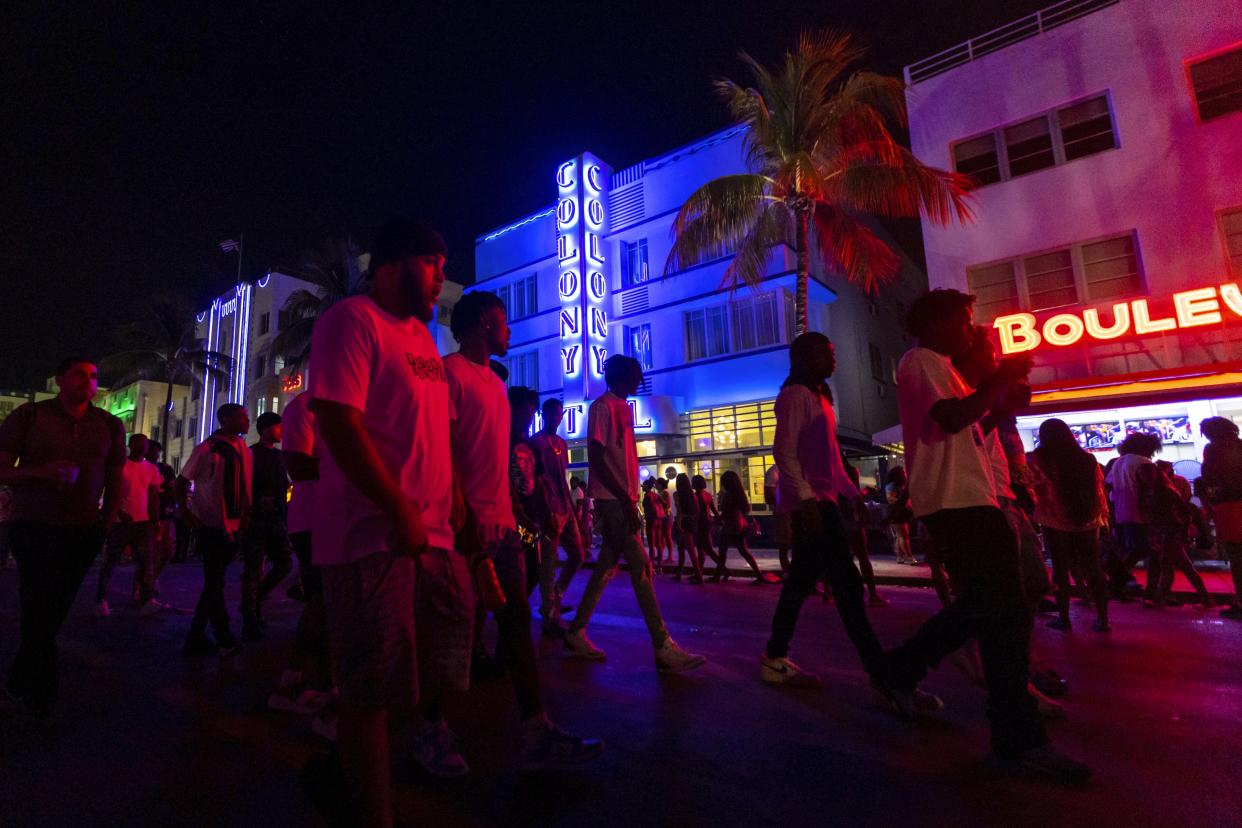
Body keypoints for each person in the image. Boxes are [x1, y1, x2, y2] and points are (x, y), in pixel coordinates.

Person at [880, 290, 1089, 784]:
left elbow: (964, 434)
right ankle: (1018, 735)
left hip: (972, 499)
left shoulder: (939, 367)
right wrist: (999, 379)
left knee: (986, 609)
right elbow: (949, 420)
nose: (970, 331)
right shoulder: (921, 360)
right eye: (963, 320)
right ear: (933, 321)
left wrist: (999, 401)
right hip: (958, 503)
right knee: (1006, 615)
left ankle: (899, 673)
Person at [307, 219, 452, 825]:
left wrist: (457, 506)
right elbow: (339, 422)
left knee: (415, 678)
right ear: (391, 265)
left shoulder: (422, 335)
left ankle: (361, 777)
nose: (442, 278)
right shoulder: (351, 320)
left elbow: (432, 432)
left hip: (430, 534)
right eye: (432, 264)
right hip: (373, 536)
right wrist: (397, 508)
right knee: (370, 688)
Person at [433, 289, 601, 777]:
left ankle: (536, 729)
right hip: (465, 527)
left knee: (514, 628)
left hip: (503, 526)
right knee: (455, 633)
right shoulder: (449, 374)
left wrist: (516, 515)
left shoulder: (495, 385)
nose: (509, 331)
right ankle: (431, 728)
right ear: (484, 323)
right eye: (503, 322)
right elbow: (445, 454)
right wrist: (464, 523)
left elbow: (497, 462)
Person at [758, 333, 917, 704]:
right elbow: (784, 453)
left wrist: (851, 492)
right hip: (813, 506)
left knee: (803, 584)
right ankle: (880, 672)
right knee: (846, 587)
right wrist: (808, 503)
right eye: (826, 353)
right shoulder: (796, 396)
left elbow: (829, 456)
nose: (834, 359)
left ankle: (775, 655)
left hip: (823, 502)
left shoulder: (819, 399)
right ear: (805, 357)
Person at [563, 355, 706, 672]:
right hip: (613, 500)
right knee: (641, 566)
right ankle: (662, 644)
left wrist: (630, 497)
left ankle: (575, 631)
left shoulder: (622, 409)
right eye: (633, 377)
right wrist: (624, 499)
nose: (636, 382)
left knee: (605, 569)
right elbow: (597, 459)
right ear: (623, 377)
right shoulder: (602, 407)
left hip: (621, 499)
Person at [0, 357, 125, 716]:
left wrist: (107, 520)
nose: (89, 382)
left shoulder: (108, 424)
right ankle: (41, 690)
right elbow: (3, 467)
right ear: (59, 380)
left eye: (94, 376)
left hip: (84, 528)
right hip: (34, 523)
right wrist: (41, 472)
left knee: (55, 605)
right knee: (38, 601)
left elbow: (115, 477)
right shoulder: (30, 416)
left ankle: (23, 679)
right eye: (80, 375)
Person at [266, 391, 334, 734]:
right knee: (323, 599)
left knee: (330, 602)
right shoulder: (304, 405)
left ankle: (319, 682)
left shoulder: (352, 402)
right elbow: (297, 464)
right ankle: (293, 681)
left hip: (339, 515)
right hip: (314, 517)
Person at [178, 403, 253, 657]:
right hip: (211, 523)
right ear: (225, 419)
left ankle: (201, 636)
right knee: (215, 580)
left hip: (234, 524)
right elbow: (182, 480)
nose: (247, 420)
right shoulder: (207, 448)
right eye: (242, 416)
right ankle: (218, 636)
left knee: (215, 581)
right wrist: (186, 512)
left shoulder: (242, 447)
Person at [1028, 419, 1111, 632]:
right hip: (1088, 520)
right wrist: (1103, 518)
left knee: (1060, 569)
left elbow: (1034, 487)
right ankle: (1103, 618)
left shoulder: (1038, 459)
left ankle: (1064, 618)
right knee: (1093, 568)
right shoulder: (1087, 459)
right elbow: (1099, 492)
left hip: (1054, 519)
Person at [94, 432, 163, 616]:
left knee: (146, 563)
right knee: (110, 561)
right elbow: (111, 491)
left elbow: (153, 496)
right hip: (121, 521)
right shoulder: (121, 466)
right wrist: (118, 512)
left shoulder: (151, 469)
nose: (143, 446)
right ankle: (101, 600)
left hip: (143, 522)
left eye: (145, 443)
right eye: (139, 443)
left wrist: (155, 521)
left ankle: (147, 599)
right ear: (131, 445)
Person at [532, 397, 586, 630]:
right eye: (552, 414)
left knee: (578, 554)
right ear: (544, 415)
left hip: (565, 506)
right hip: (549, 508)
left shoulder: (562, 444)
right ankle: (549, 611)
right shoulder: (536, 443)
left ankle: (556, 596)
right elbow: (539, 479)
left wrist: (573, 510)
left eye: (559, 414)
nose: (556, 418)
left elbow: (562, 477)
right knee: (549, 561)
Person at [240, 411, 293, 641]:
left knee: (284, 563)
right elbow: (243, 484)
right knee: (253, 569)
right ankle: (250, 619)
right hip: (256, 520)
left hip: (276, 519)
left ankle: (254, 602)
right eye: (277, 427)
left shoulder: (280, 457)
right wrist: (257, 499)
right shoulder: (252, 455)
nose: (281, 431)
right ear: (266, 429)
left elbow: (285, 485)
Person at [1138, 463, 1211, 609]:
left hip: (1171, 533)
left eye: (1146, 474)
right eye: (1142, 475)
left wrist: (1181, 531)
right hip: (1170, 532)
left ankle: (1160, 600)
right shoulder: (1161, 490)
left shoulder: (1162, 491)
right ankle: (1205, 598)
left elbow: (1182, 512)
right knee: (1184, 567)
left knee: (1167, 567)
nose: (1144, 478)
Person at [1104, 432, 1161, 600]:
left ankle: (1118, 583)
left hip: (1121, 513)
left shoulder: (1118, 462)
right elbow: (1152, 491)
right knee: (1148, 551)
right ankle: (1145, 590)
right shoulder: (1144, 463)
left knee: (1131, 549)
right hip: (1142, 515)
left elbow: (1108, 486)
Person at [1200, 416, 1242, 619]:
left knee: (1237, 557)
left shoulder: (1213, 450)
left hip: (1229, 508)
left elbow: (1209, 478)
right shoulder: (1239, 445)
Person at [714, 469, 765, 583]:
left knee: (723, 552)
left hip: (730, 525)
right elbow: (743, 510)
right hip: (739, 524)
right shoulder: (739, 494)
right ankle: (759, 575)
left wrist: (718, 519)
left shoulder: (728, 495)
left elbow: (726, 512)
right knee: (744, 551)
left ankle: (717, 576)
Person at [145, 439, 177, 594]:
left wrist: (174, 506)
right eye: (152, 450)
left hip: (165, 514)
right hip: (147, 516)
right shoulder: (141, 468)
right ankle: (144, 587)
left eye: (157, 450)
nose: (155, 454)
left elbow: (172, 488)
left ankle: (152, 579)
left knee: (168, 550)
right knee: (148, 553)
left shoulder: (165, 468)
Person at [672, 473, 704, 583]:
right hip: (692, 522)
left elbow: (679, 510)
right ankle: (678, 573)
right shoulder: (693, 495)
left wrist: (679, 524)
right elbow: (698, 510)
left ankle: (699, 577)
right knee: (683, 548)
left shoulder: (677, 494)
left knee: (688, 550)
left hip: (683, 522)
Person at [763, 465, 793, 573]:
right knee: (785, 545)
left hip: (791, 510)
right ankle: (789, 575)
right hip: (784, 512)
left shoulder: (791, 468)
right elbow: (769, 497)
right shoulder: (774, 471)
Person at [884, 467, 917, 565]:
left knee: (900, 536)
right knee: (904, 536)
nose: (905, 473)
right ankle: (909, 557)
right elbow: (890, 498)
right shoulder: (892, 485)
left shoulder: (898, 485)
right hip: (897, 513)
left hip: (902, 512)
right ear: (898, 474)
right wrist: (904, 503)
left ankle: (900, 557)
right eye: (903, 472)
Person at [692, 474, 722, 577]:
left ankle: (725, 570)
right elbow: (713, 509)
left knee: (707, 550)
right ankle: (699, 572)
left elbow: (699, 513)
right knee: (702, 550)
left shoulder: (696, 496)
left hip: (701, 525)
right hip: (707, 523)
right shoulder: (707, 495)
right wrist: (718, 520)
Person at [641, 477, 666, 574]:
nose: (642, 488)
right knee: (658, 543)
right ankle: (660, 566)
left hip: (651, 520)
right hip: (658, 519)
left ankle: (652, 567)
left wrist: (651, 508)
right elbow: (665, 504)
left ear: (647, 487)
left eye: (643, 486)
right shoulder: (656, 495)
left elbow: (648, 507)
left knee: (651, 545)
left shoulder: (647, 496)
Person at [570, 476, 593, 561]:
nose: (571, 483)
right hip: (575, 515)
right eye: (571, 481)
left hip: (578, 516)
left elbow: (579, 507)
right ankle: (582, 550)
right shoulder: (572, 490)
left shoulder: (579, 492)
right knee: (580, 533)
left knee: (582, 532)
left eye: (573, 482)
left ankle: (585, 550)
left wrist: (576, 517)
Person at [656, 476, 675, 567]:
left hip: (666, 516)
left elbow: (667, 505)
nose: (655, 485)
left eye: (657, 483)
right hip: (663, 516)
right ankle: (661, 555)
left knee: (667, 536)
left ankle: (670, 556)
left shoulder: (665, 493)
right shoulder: (660, 493)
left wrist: (659, 499)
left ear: (660, 484)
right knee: (663, 537)